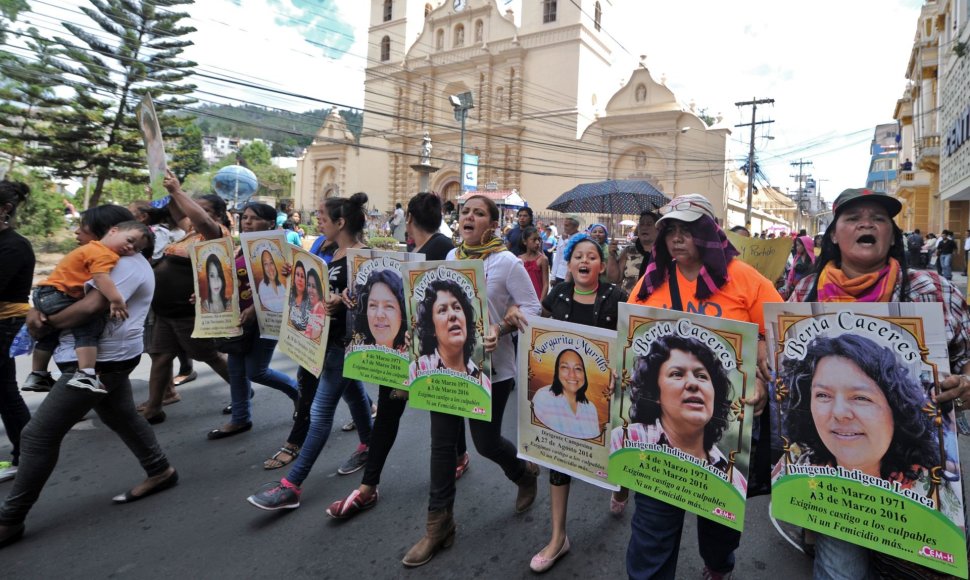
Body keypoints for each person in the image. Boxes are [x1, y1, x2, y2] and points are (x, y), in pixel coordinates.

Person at [787, 187, 970, 579]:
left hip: (917, 491)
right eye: (853, 218)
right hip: (837, 487)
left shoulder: (932, 290)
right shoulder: (805, 293)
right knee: (840, 570)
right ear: (834, 235)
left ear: (891, 234)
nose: (866, 223)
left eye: (879, 218)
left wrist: (966, 382)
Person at [0, 204, 177, 548]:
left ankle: (10, 519)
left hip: (104, 363)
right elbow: (58, 288)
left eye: (84, 227)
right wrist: (38, 309)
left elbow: (91, 308)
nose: (78, 233)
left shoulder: (122, 265)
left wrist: (43, 324)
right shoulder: (99, 256)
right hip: (99, 360)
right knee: (122, 416)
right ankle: (161, 471)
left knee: (37, 436)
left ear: (107, 230)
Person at [625, 193, 778, 580]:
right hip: (660, 430)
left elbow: (779, 334)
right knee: (652, 527)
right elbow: (629, 338)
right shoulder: (651, 281)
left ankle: (718, 564)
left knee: (719, 524)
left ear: (709, 233)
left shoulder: (745, 279)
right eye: (671, 230)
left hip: (726, 429)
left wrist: (761, 365)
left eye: (688, 230)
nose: (677, 238)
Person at [402, 194, 541, 567]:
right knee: (442, 443)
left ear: (492, 224)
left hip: (496, 371)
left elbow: (533, 307)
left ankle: (522, 473)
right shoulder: (450, 259)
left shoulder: (507, 263)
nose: (469, 217)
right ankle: (438, 524)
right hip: (449, 368)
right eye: (465, 212)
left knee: (484, 442)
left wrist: (505, 323)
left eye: (479, 213)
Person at [326, 192, 471, 520]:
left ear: (408, 219)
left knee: (436, 411)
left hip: (425, 351)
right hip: (400, 354)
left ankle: (454, 459)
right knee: (392, 413)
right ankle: (368, 485)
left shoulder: (441, 250)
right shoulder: (415, 252)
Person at [246, 192, 374, 510]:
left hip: (345, 347)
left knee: (319, 415)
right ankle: (370, 444)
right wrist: (298, 280)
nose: (317, 220)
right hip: (326, 343)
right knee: (354, 393)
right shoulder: (329, 251)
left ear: (340, 222)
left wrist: (344, 298)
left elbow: (375, 304)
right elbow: (319, 294)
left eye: (322, 217)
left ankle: (292, 485)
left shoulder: (364, 258)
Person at [519, 233, 629, 572]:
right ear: (568, 262)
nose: (584, 261)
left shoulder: (616, 297)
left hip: (604, 398)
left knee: (615, 452)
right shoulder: (558, 294)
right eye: (578, 255)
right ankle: (558, 538)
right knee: (559, 456)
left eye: (592, 256)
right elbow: (540, 329)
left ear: (602, 265)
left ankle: (622, 488)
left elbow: (627, 344)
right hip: (563, 394)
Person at [140, 170, 232, 424]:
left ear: (216, 214)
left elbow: (199, 218)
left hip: (186, 310)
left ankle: (242, 392)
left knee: (209, 355)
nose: (191, 209)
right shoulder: (192, 232)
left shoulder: (216, 232)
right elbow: (180, 213)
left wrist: (177, 191)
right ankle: (154, 407)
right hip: (165, 310)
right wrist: (166, 193)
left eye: (201, 207)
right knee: (161, 356)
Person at [207, 202, 299, 440]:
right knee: (236, 370)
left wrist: (255, 311)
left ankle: (299, 393)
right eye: (244, 217)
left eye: (253, 218)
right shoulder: (240, 248)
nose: (246, 222)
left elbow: (284, 289)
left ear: (270, 223)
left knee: (256, 372)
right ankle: (240, 419)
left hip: (266, 319)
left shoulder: (280, 250)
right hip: (237, 320)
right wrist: (205, 295)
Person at [29, 221, 151, 394]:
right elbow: (100, 282)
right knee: (87, 327)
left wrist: (46, 319)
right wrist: (116, 300)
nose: (129, 247)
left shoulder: (92, 249)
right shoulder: (105, 254)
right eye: (129, 240)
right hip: (59, 295)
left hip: (46, 293)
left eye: (136, 248)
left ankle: (37, 373)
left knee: (49, 337)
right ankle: (86, 373)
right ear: (112, 231)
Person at [610, 335, 745, 489]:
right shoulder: (626, 440)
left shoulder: (734, 481)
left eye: (701, 376)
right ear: (655, 393)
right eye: (677, 374)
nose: (693, 383)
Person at [0, 180, 33, 484]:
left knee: (5, 392)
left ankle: (28, 455)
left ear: (5, 210)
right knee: (5, 391)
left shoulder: (14, 246)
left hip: (6, 323)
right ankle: (27, 454)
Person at [608, 210, 658, 293]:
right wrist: (612, 256)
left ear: (658, 229)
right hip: (628, 302)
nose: (644, 227)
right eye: (641, 224)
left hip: (655, 303)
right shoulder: (628, 251)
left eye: (649, 224)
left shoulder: (664, 253)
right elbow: (614, 279)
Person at [519, 225, 550, 301]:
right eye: (534, 239)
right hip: (522, 299)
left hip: (537, 299)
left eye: (539, 239)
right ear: (524, 241)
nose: (537, 242)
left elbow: (546, 284)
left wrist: (541, 303)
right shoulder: (519, 259)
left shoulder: (543, 259)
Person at [550, 215, 580, 285]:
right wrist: (553, 276)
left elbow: (572, 254)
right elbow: (558, 256)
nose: (564, 228)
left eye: (567, 225)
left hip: (572, 276)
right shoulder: (562, 237)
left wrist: (566, 240)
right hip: (559, 274)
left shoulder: (580, 237)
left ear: (576, 227)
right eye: (564, 225)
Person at [303, 268, 326, 341]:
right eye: (308, 285)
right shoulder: (312, 305)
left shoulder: (319, 307)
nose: (310, 290)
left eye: (314, 286)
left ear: (320, 289)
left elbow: (313, 338)